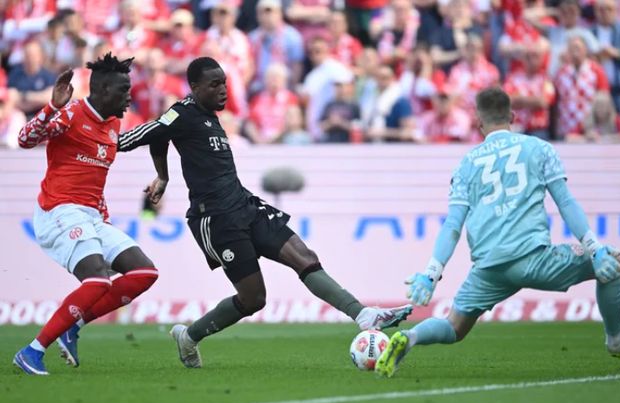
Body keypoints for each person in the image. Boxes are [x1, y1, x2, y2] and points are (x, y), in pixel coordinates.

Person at [117, 57, 412, 368]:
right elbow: (152, 132)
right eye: (214, 84)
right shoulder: (182, 113)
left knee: (305, 257)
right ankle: (189, 336)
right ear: (195, 87)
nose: (223, 90)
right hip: (216, 219)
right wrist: (109, 143)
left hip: (245, 205)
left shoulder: (208, 116)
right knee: (253, 299)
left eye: (224, 83)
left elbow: (162, 138)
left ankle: (363, 315)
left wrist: (163, 175)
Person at [375, 87, 620, 378]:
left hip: (489, 268)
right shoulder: (539, 148)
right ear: (512, 116)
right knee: (612, 262)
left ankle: (410, 337)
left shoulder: (466, 165)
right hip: (535, 259)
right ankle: (617, 338)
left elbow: (452, 226)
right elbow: (565, 202)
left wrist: (431, 274)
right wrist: (595, 248)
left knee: (454, 326)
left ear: (478, 122)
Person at [13, 54, 159, 375]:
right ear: (103, 90)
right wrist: (52, 106)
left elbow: (94, 178)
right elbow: (24, 140)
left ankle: (73, 325)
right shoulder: (71, 113)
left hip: (91, 215)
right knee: (97, 280)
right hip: (59, 210)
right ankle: (32, 351)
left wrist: (101, 217)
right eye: (123, 90)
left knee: (144, 272)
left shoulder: (114, 124)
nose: (129, 97)